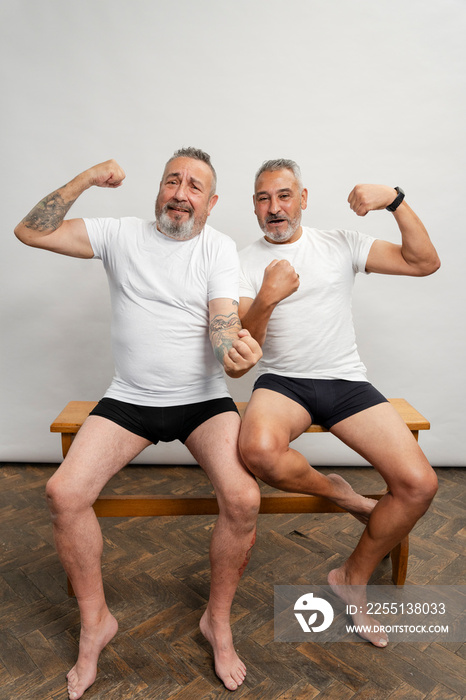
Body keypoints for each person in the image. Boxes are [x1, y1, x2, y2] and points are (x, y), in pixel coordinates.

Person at [14, 148, 262, 698]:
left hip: (202, 401)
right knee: (63, 492)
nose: (181, 192)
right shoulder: (119, 234)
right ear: (158, 190)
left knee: (244, 499)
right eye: (173, 180)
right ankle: (96, 621)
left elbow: (222, 320)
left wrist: (232, 351)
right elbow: (30, 232)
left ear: (211, 202)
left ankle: (216, 621)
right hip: (129, 399)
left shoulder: (217, 247)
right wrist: (86, 177)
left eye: (195, 186)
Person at [238, 159, 440, 647]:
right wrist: (266, 296)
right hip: (282, 382)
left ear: (303, 199)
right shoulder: (240, 260)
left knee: (419, 485)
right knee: (259, 451)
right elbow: (244, 349)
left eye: (284, 196)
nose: (275, 208)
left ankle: (352, 578)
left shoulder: (339, 243)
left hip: (345, 381)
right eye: (264, 198)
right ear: (254, 207)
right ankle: (344, 495)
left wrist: (395, 200)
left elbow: (424, 262)